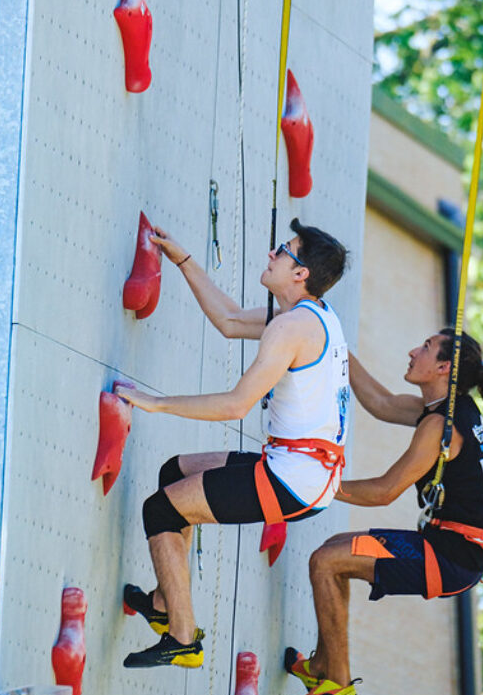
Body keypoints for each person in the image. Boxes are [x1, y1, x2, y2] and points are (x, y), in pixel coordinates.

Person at [115, 218, 350, 669]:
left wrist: (157, 403)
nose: (271, 254)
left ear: (300, 273)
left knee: (160, 509)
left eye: (282, 251)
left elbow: (236, 405)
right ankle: (165, 603)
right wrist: (183, 260)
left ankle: (183, 638)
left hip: (292, 477)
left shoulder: (292, 328)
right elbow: (227, 319)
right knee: (176, 473)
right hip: (302, 469)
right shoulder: (308, 316)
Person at [285, 328, 483, 695]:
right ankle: (323, 665)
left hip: (452, 558)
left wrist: (316, 483)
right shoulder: (443, 409)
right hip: (448, 546)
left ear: (443, 367)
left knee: (327, 562)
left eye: (423, 348)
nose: (411, 351)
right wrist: (333, 341)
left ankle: (337, 682)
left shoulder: (443, 426)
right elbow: (381, 403)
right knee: (332, 550)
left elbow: (385, 491)